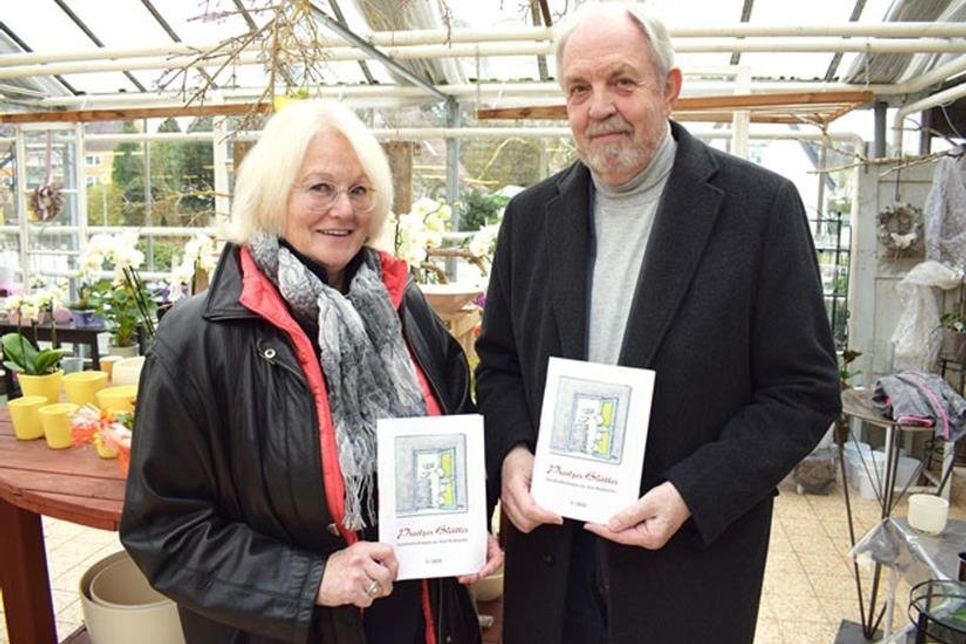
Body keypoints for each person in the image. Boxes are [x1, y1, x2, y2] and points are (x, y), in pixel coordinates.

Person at [474, 4, 841, 644]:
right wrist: (511, 453)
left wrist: (691, 494)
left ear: (669, 88)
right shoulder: (531, 219)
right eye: (579, 89)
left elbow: (802, 392)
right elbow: (500, 361)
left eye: (622, 81)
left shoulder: (759, 209)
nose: (600, 107)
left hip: (683, 565)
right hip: (553, 558)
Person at [120, 99, 501, 644]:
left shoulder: (404, 308)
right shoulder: (198, 339)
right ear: (273, 196)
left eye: (359, 190)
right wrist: (312, 580)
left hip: (423, 618)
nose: (344, 210)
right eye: (320, 188)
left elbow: (462, 430)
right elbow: (163, 530)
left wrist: (469, 524)